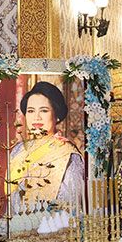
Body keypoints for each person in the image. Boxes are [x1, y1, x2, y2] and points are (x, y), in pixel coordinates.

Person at [7, 81, 84, 211]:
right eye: (30, 111)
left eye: (43, 110)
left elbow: (71, 203)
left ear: (57, 115)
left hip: (54, 227)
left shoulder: (68, 154)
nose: (36, 117)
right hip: (18, 226)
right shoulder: (17, 151)